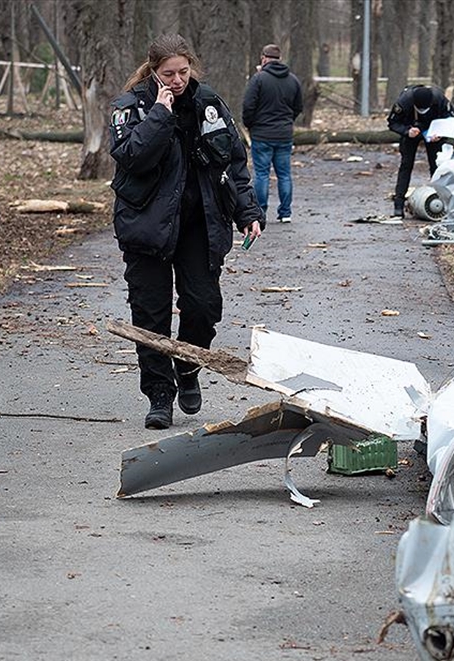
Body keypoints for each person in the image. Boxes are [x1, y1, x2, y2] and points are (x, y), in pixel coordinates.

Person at [109, 33, 263, 429]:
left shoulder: (208, 103)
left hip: (199, 226)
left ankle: (189, 365)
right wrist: (160, 114)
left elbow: (233, 161)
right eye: (168, 74)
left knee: (203, 305)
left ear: (191, 66)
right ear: (153, 71)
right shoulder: (131, 107)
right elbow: (132, 157)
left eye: (182, 71)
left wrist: (248, 211)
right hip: (148, 227)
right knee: (150, 315)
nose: (177, 80)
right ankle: (159, 395)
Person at [242, 43, 303, 224]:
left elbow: (248, 106)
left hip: (262, 134)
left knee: (261, 174)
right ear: (280, 59)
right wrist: (287, 121)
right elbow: (298, 107)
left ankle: (261, 211)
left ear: (264, 58)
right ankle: (285, 212)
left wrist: (250, 125)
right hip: (284, 134)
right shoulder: (293, 80)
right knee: (284, 174)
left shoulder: (258, 79)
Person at [387, 85, 454, 218]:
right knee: (406, 165)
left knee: (436, 166)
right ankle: (398, 205)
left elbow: (452, 119)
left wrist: (442, 133)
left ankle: (442, 201)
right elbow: (392, 123)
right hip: (411, 129)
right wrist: (407, 131)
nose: (423, 111)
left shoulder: (440, 99)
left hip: (434, 132)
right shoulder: (403, 102)